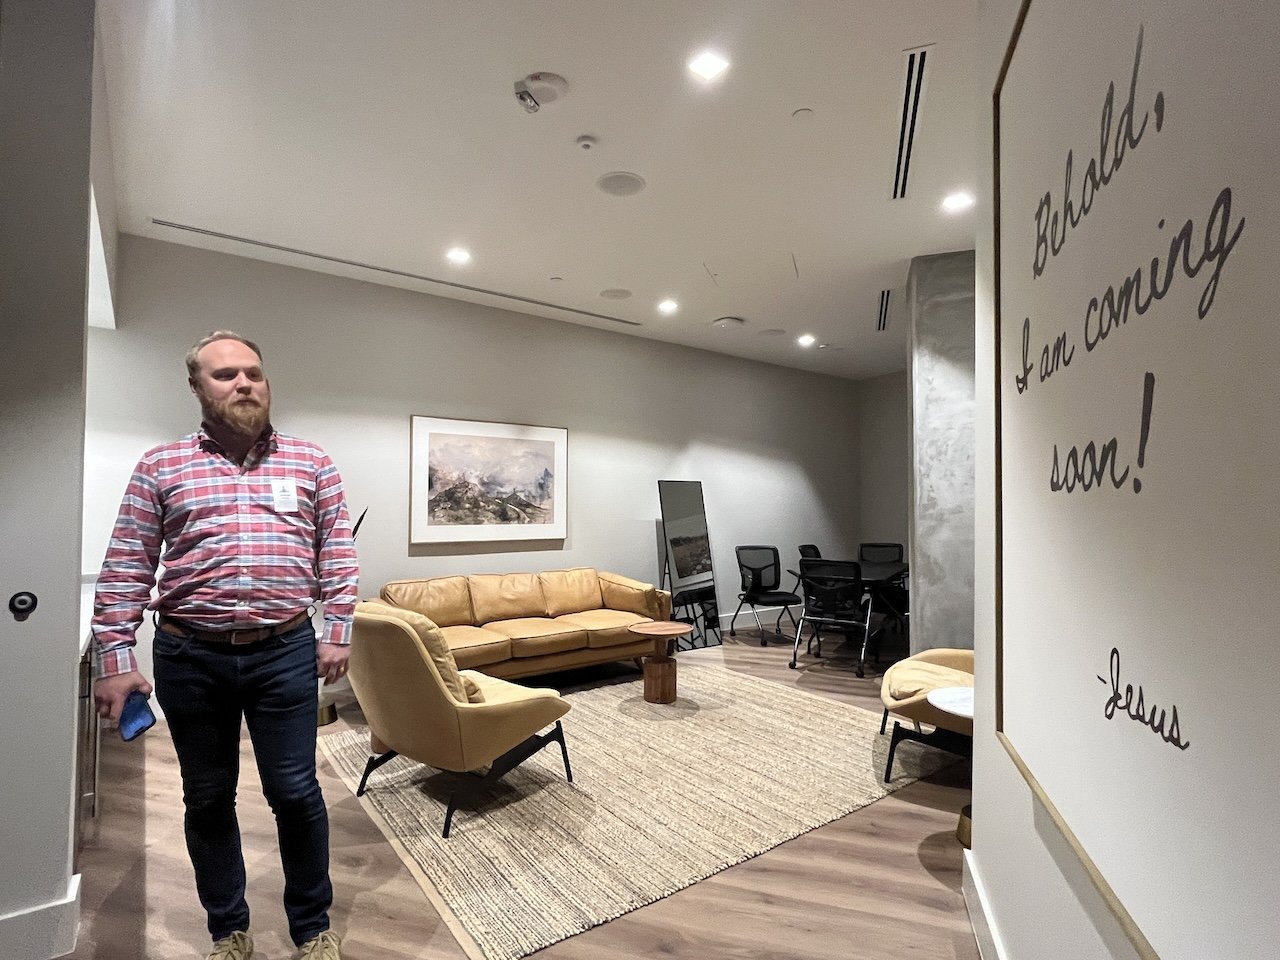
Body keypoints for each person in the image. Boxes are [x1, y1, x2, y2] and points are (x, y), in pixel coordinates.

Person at [92, 331, 358, 960]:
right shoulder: (161, 465)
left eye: (254, 373)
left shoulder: (311, 461)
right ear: (196, 387)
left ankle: (312, 927)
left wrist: (337, 631)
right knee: (208, 797)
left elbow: (337, 550)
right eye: (226, 374)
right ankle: (228, 929)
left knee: (295, 792)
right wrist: (115, 659)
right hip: (190, 657)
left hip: (284, 651)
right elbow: (128, 563)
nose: (244, 383)